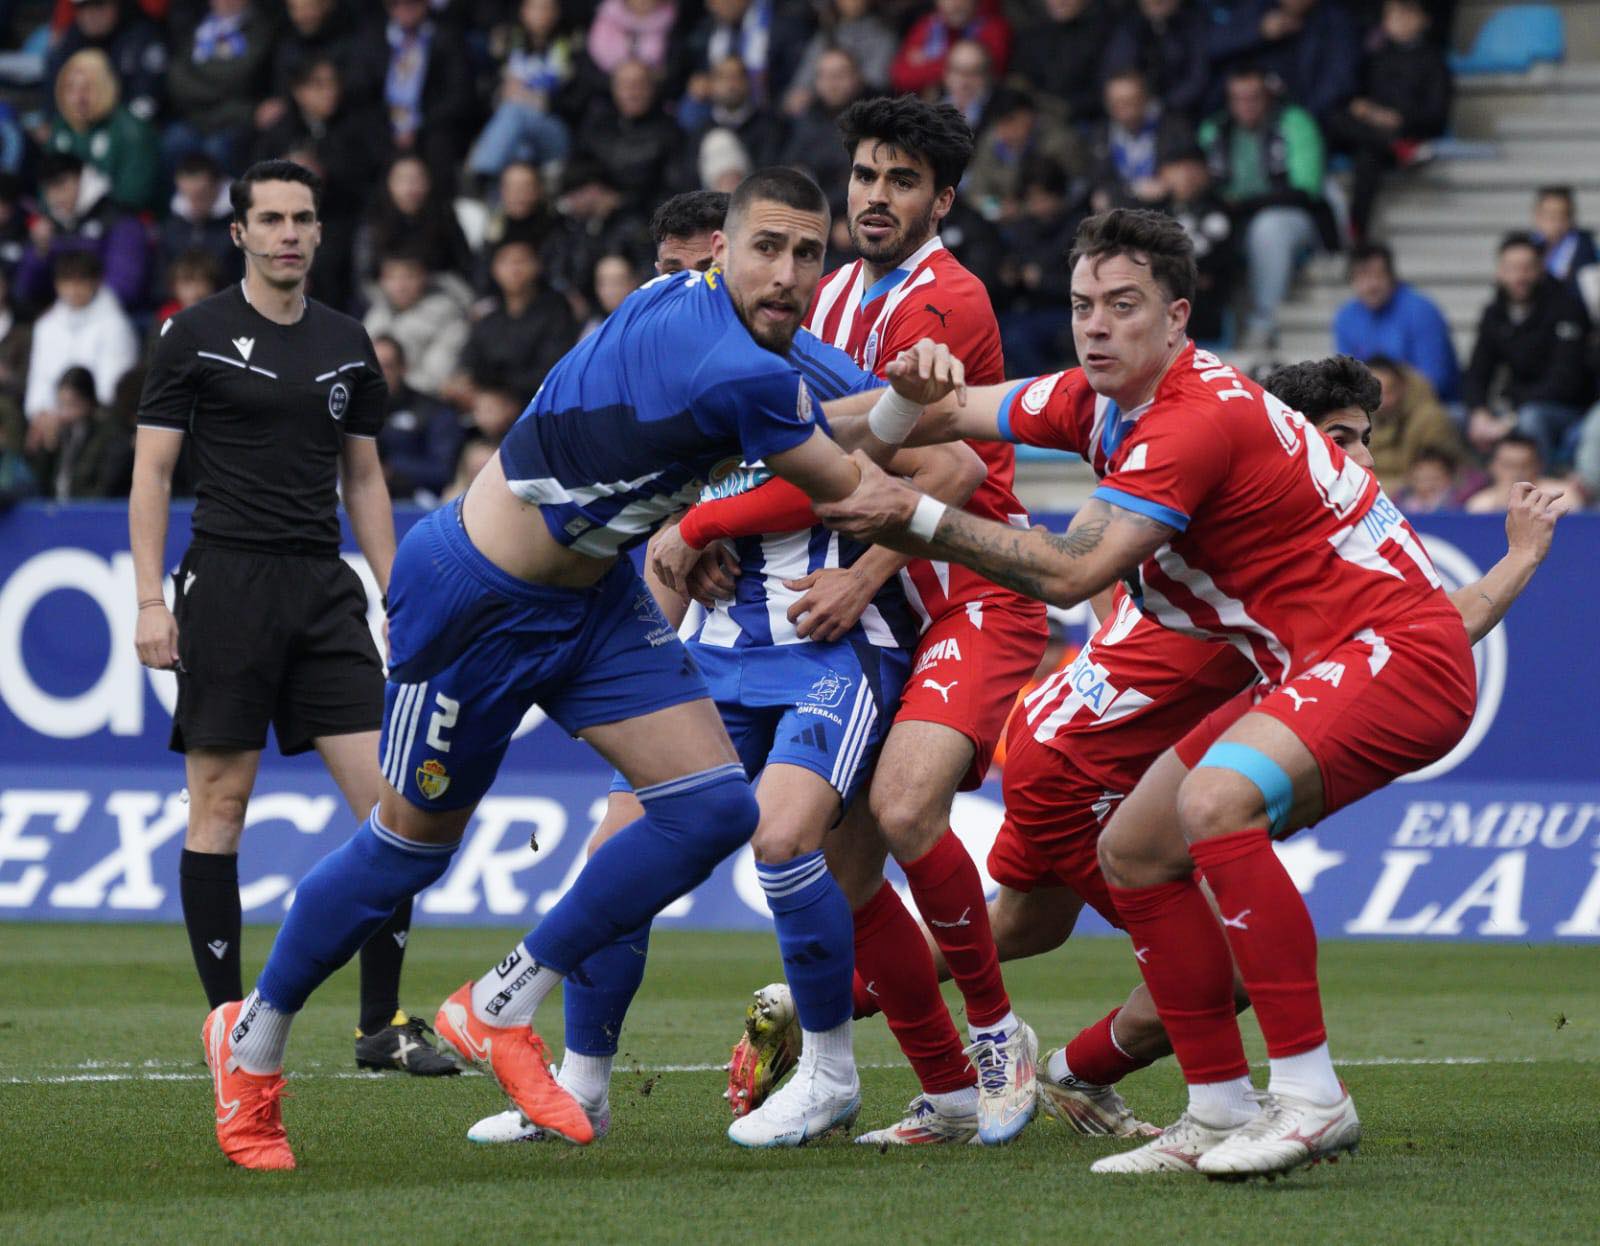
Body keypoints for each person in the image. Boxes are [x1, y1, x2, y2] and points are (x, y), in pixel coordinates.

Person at [191, 166, 968, 1170]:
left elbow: (842, 418)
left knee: (713, 810)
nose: (785, 271)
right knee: (407, 850)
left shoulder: (743, 333)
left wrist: (901, 400)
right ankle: (249, 1043)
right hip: (474, 601)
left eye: (806, 253)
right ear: (723, 250)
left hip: (594, 602)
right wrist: (1038, 553)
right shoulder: (732, 364)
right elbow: (855, 487)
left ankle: (500, 999)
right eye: (766, 247)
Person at [811, 207, 1532, 1177]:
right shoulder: (1096, 401)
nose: (1096, 325)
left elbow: (1071, 572)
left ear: (1176, 317)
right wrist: (798, 429)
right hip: (1313, 661)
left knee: (1208, 803)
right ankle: (1217, 1107)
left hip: (1394, 652)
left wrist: (916, 512)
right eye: (1081, 306)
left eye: (1123, 305)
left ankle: (1311, 1095)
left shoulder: (1193, 417)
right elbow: (948, 411)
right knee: (1138, 846)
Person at [651, 99, 1049, 1147]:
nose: (877, 195)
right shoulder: (827, 288)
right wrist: (733, 528)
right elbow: (798, 447)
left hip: (968, 583)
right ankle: (945, 1086)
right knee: (850, 872)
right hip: (893, 598)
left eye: (902, 181)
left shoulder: (944, 299)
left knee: (909, 809)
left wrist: (863, 573)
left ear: (942, 200)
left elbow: (948, 464)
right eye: (867, 175)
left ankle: (1002, 1031)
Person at [130, 161, 457, 1128]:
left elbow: (364, 479)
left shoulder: (350, 344)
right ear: (239, 233)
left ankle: (382, 1020)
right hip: (226, 582)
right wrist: (152, 600)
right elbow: (152, 475)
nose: (287, 233)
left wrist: (399, 591)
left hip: (323, 590)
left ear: (319, 232)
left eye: (302, 218)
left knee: (400, 811)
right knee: (220, 803)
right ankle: (230, 1025)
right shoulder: (192, 337)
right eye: (268, 219)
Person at [1199, 65, 1329, 348]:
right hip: (1232, 219)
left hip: (1290, 217)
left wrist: (1244, 204)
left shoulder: (1295, 122)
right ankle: (1201, 327)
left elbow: (1305, 190)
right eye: (1238, 98)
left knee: (1267, 227)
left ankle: (1264, 321)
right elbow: (1201, 185)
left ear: (1268, 95)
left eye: (1253, 97)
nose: (1246, 105)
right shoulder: (1215, 129)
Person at [1319, 0, 1452, 244]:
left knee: (1367, 156)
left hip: (1404, 130)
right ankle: (1397, 146)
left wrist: (1399, 119)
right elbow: (1351, 96)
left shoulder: (1435, 62)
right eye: (1392, 14)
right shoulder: (1372, 57)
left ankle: (1356, 232)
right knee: (1332, 119)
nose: (1399, 20)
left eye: (1407, 13)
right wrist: (1366, 110)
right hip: (1368, 130)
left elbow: (1437, 116)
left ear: (1424, 19)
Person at [1462, 232, 1593, 465]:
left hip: (1566, 409)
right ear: (1500, 272)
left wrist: (1511, 418)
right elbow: (1477, 372)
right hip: (1514, 407)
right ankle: (1480, 491)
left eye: (1527, 268)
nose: (1519, 276)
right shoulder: (1494, 314)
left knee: (1531, 419)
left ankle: (1541, 488)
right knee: (1459, 418)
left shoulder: (1567, 308)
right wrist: (1479, 411)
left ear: (1541, 269)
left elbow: (1565, 381)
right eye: (1512, 268)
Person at [22, 249, 137, 431]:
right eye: (66, 282)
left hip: (97, 422)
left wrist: (73, 412)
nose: (73, 290)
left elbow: (111, 388)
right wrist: (41, 413)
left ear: (96, 281)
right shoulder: (45, 326)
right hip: (52, 421)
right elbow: (39, 380)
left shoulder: (115, 325)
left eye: (80, 282)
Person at [1333, 243, 1459, 402]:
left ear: (1392, 276)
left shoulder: (1421, 310)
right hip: (1374, 408)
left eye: (1377, 276)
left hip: (1431, 405)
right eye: (1361, 278)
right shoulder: (1345, 317)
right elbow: (1347, 379)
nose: (1370, 286)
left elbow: (1435, 381)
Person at [47, 47, 162, 212]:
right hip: (68, 223)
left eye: (87, 88)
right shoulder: (60, 127)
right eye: (70, 89)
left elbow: (134, 195)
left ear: (105, 87)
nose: (78, 99)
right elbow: (45, 187)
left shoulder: (132, 131)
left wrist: (82, 202)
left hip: (117, 223)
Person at [372, 333, 463, 504]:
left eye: (387, 366)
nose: (378, 373)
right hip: (362, 495)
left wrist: (391, 469)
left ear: (403, 368)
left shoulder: (433, 410)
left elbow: (443, 470)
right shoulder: (352, 410)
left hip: (419, 498)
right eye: (372, 365)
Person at [1364, 354, 1463, 492]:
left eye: (1389, 392)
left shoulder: (1430, 420)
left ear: (1402, 387)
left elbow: (1431, 477)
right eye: (1375, 393)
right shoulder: (1357, 420)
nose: (1382, 401)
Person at [890, 0, 1011, 99]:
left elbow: (989, 72)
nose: (955, 4)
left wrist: (926, 65)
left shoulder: (992, 27)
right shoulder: (927, 25)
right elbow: (901, 77)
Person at [1464, 432, 1567, 512]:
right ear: (1492, 466)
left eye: (1524, 466)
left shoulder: (1560, 496)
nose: (1516, 473)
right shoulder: (1479, 505)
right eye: (1508, 466)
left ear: (1539, 465)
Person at [1531, 185, 1599, 300]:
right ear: (1537, 216)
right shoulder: (1529, 248)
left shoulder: (1588, 250)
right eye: (1549, 214)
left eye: (1562, 214)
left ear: (1572, 217)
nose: (1555, 221)